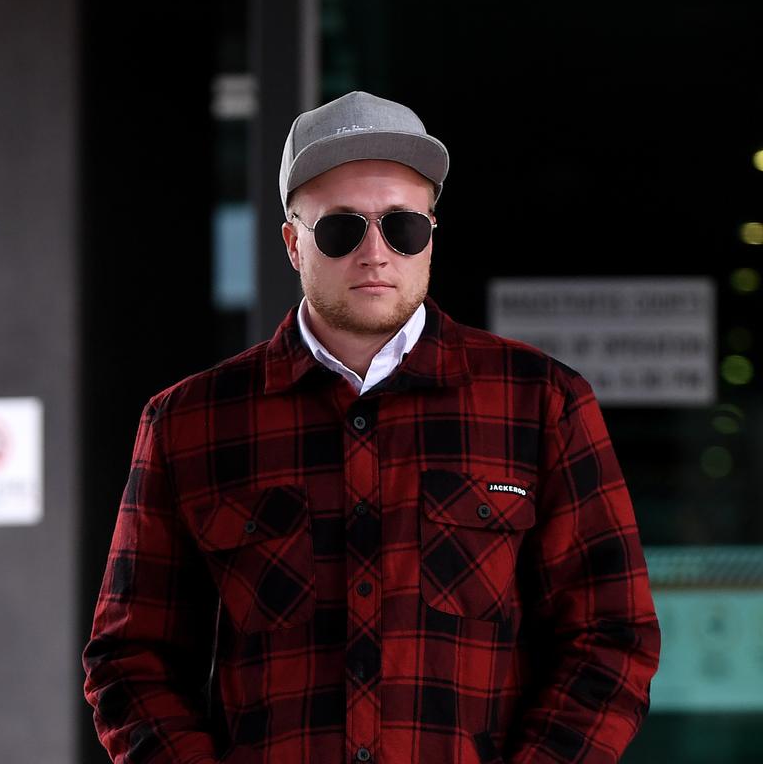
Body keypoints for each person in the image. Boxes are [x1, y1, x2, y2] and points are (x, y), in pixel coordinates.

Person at [83, 90, 660, 764]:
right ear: (293, 243)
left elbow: (611, 637)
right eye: (341, 228)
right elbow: (131, 659)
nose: (376, 251)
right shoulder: (189, 422)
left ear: (431, 238)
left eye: (402, 226)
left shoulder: (543, 404)